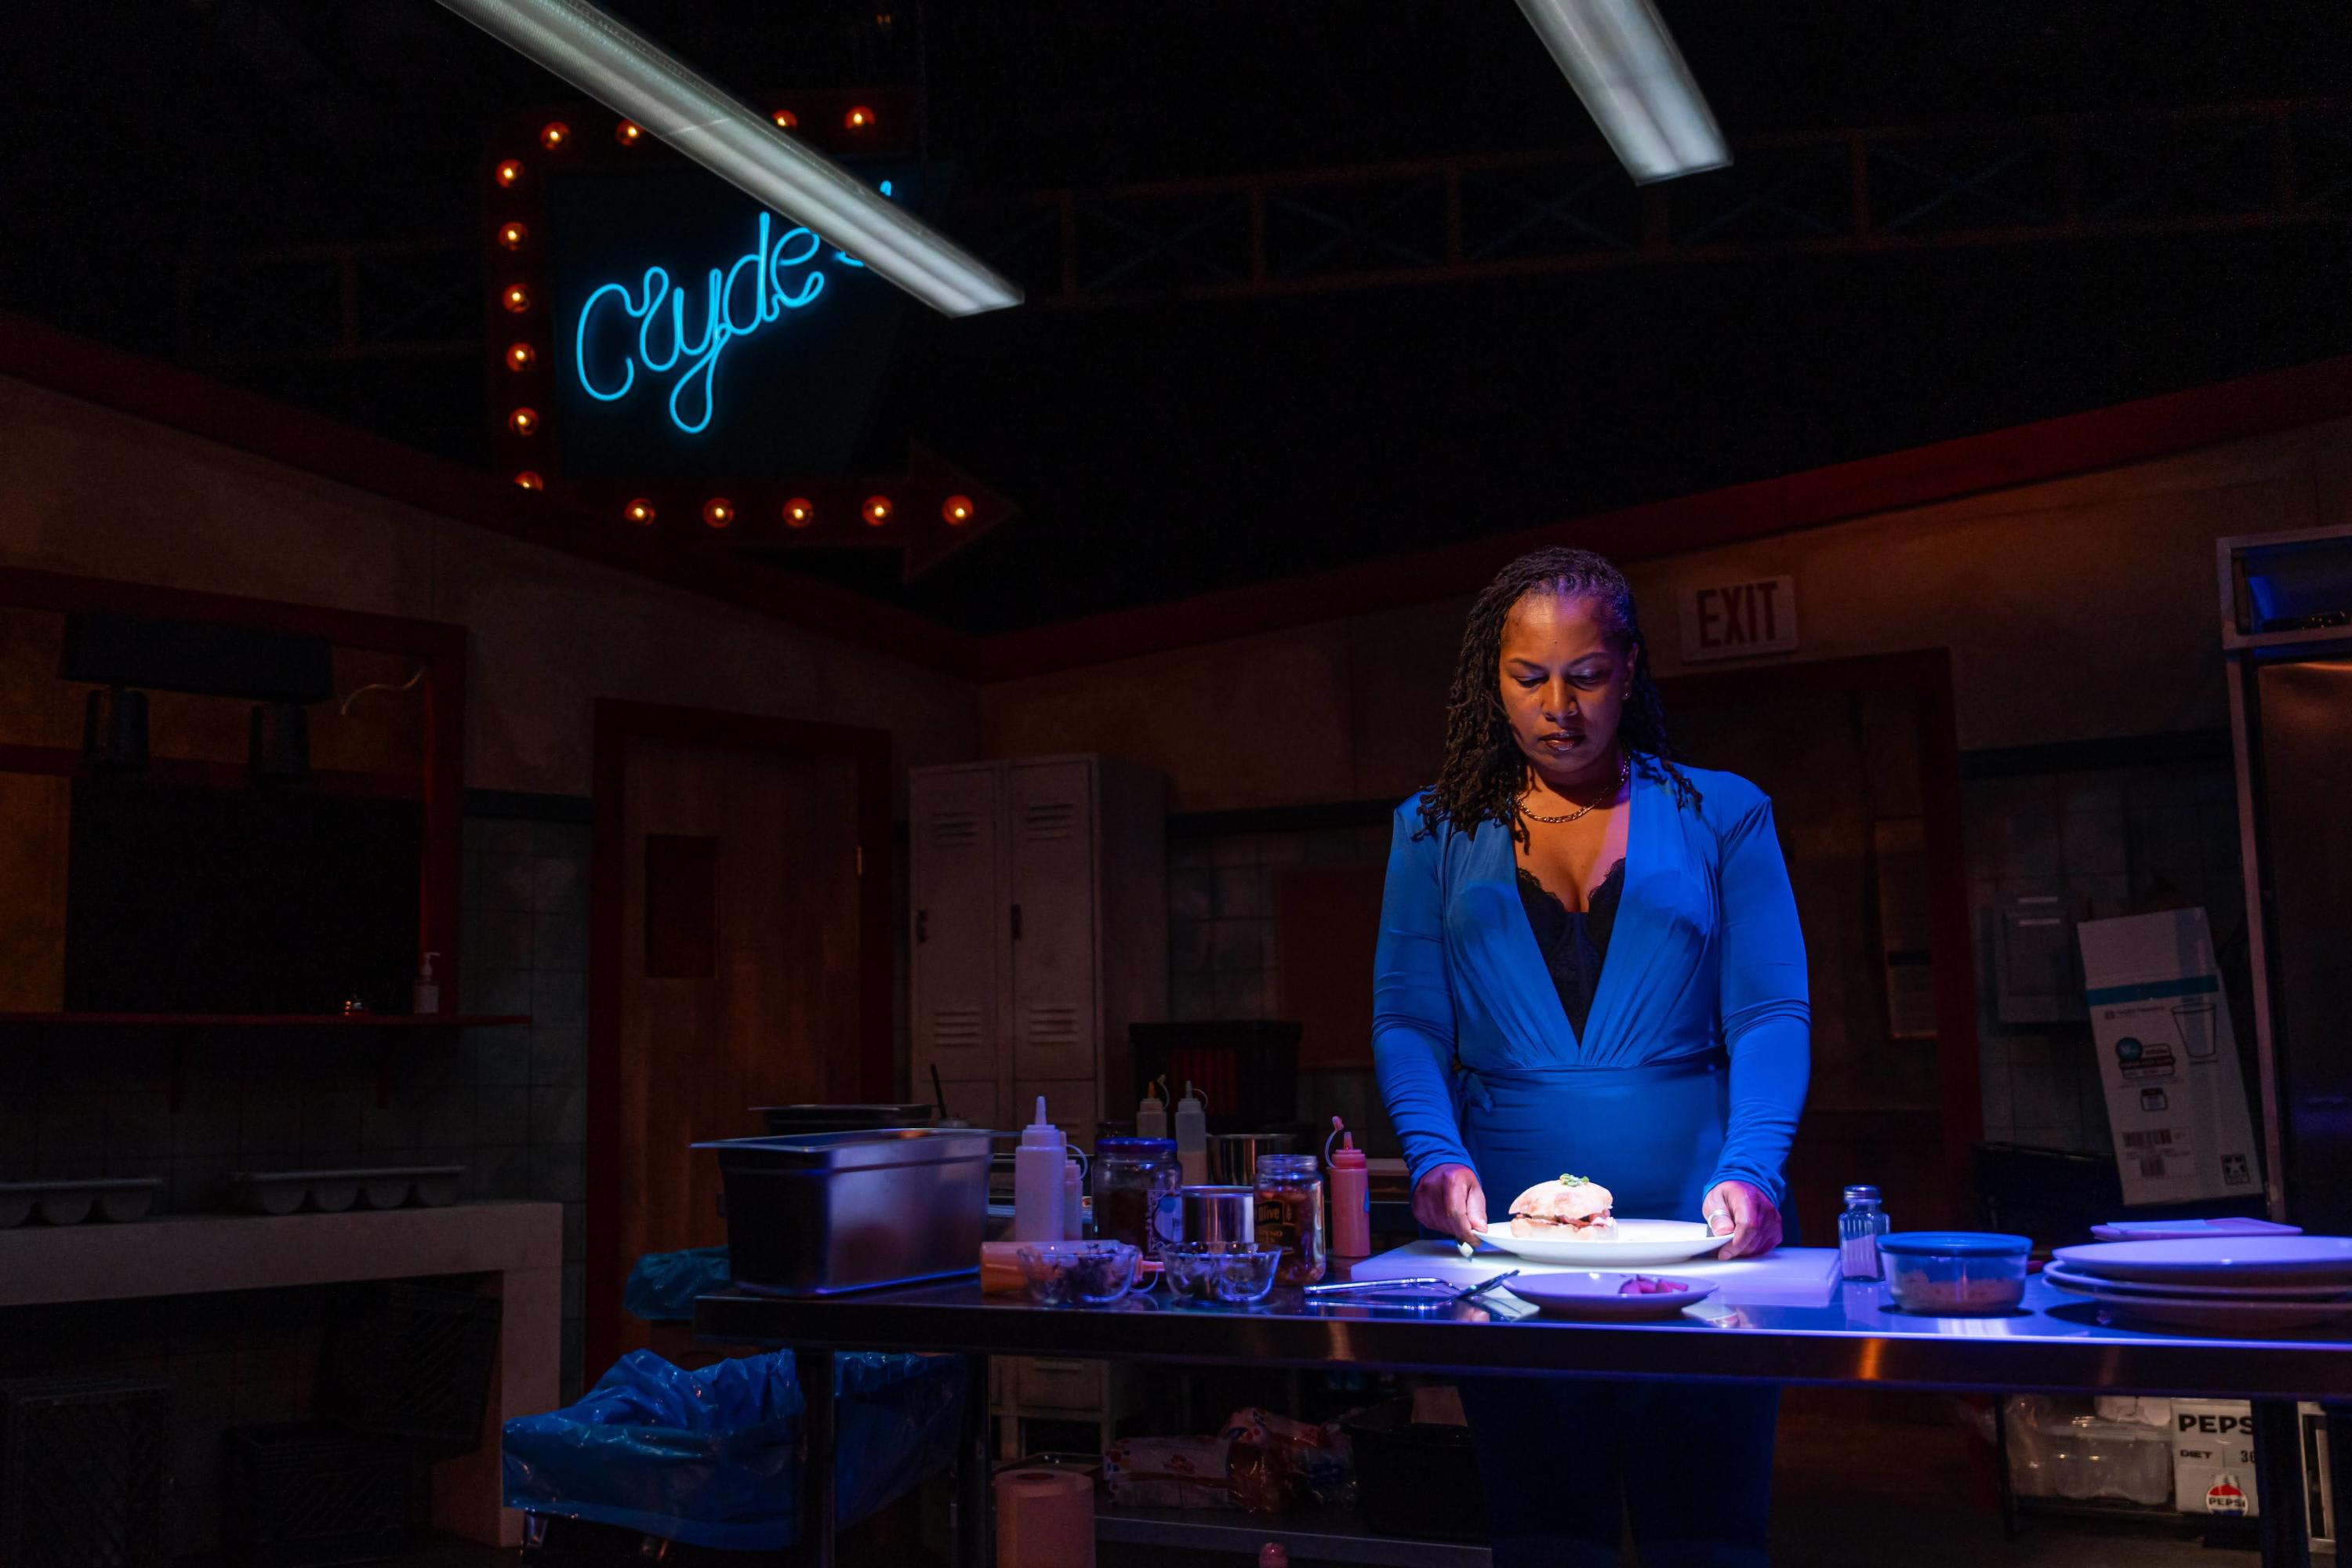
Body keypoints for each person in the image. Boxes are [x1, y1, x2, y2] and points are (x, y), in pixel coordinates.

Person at [1372, 546, 1810, 1566]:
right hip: (1505, 1246)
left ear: (1630, 670)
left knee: (1707, 1538)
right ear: (1491, 680)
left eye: (1587, 675)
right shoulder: (1432, 830)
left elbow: (1771, 1013)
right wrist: (1434, 1154)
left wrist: (1754, 1168)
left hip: (1703, 1233)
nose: (1558, 707)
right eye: (1529, 678)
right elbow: (1408, 1020)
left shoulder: (1722, 812)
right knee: (1543, 1535)